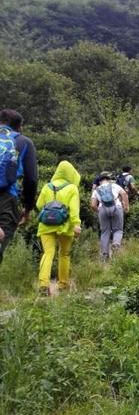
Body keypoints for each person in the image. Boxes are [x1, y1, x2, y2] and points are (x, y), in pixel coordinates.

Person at [35, 160, 81, 296]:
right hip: (65, 226)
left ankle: (43, 284)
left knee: (48, 253)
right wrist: (76, 224)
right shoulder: (72, 188)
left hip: (46, 225)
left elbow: (39, 205)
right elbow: (74, 209)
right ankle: (63, 285)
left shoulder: (46, 186)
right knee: (64, 254)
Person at [0, 109, 38, 264]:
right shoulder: (23, 142)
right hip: (6, 199)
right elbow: (31, 179)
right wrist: (27, 208)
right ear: (19, 127)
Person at [91, 173, 129, 260]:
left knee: (105, 232)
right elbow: (124, 194)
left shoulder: (96, 190)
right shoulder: (114, 185)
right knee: (118, 230)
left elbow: (93, 205)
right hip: (116, 207)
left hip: (102, 209)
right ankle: (115, 244)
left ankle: (105, 255)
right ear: (108, 180)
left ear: (99, 182)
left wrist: (99, 211)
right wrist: (126, 207)